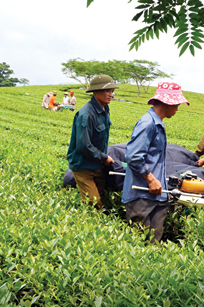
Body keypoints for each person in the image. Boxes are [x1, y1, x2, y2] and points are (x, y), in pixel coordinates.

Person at [122, 82, 190, 243]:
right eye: (177, 105)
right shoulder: (148, 124)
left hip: (156, 195)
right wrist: (151, 179)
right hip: (142, 194)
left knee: (154, 244)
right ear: (168, 103)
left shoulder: (158, 123)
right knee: (139, 242)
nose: (177, 109)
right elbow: (133, 156)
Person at [67, 75, 118, 209]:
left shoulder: (105, 108)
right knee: (94, 204)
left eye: (112, 91)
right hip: (83, 165)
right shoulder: (86, 114)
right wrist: (104, 157)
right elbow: (83, 145)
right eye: (108, 91)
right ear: (96, 91)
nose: (111, 95)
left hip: (97, 164)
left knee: (100, 196)